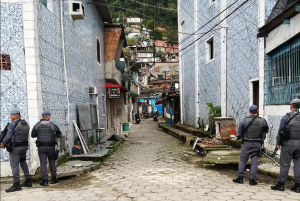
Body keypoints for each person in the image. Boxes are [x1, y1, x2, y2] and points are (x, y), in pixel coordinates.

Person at [233, 105, 269, 185]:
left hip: (246, 143)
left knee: (243, 160)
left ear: (249, 112)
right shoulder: (262, 121)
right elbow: (265, 131)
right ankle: (252, 180)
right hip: (257, 144)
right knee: (254, 161)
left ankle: (240, 178)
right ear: (257, 111)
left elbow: (240, 133)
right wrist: (261, 140)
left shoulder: (244, 121)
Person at [271, 98, 300, 192]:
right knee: (298, 164)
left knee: (285, 164)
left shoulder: (286, 117)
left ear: (291, 106)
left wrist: (278, 143)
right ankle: (298, 186)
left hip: (288, 144)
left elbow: (280, 131)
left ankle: (281, 184)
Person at [0, 109, 31, 193]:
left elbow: (8, 136)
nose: (10, 116)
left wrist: (3, 144)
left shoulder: (13, 123)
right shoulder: (25, 123)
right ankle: (28, 180)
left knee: (14, 165)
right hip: (24, 146)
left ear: (16, 115)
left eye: (11, 115)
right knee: (23, 162)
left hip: (16, 148)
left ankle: (16, 184)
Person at [31, 111, 62, 186]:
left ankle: (44, 181)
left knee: (43, 163)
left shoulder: (37, 125)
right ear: (48, 117)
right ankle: (54, 179)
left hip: (41, 147)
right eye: (49, 116)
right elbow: (59, 134)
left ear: (42, 116)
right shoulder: (52, 125)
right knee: (52, 162)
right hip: (51, 147)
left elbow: (33, 135)